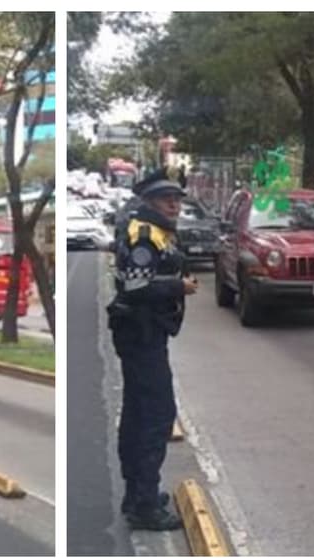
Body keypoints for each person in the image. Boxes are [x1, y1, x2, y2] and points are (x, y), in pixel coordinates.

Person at [106, 174, 197, 531]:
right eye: (166, 199)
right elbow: (135, 285)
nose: (174, 204)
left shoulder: (152, 230)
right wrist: (179, 286)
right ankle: (144, 504)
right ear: (148, 201)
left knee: (138, 414)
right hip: (141, 333)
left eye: (176, 199)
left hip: (144, 333)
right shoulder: (144, 234)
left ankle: (138, 494)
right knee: (155, 416)